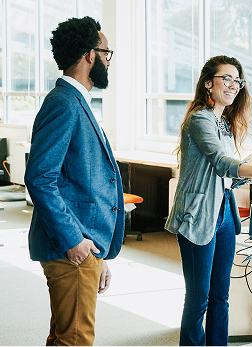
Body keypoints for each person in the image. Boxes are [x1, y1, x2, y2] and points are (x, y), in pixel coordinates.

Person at [165, 55, 252, 346]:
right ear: (207, 83)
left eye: (237, 81)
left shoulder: (223, 124)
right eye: (226, 79)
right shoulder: (200, 119)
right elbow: (220, 162)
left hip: (225, 215)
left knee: (221, 295)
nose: (233, 85)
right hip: (199, 214)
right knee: (199, 297)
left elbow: (228, 175)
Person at [24, 17, 122, 346]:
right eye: (106, 53)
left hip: (85, 245)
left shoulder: (74, 101)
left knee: (65, 337)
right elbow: (40, 178)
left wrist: (99, 255)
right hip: (71, 246)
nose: (109, 61)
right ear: (89, 56)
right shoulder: (64, 104)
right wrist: (75, 242)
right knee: (75, 340)